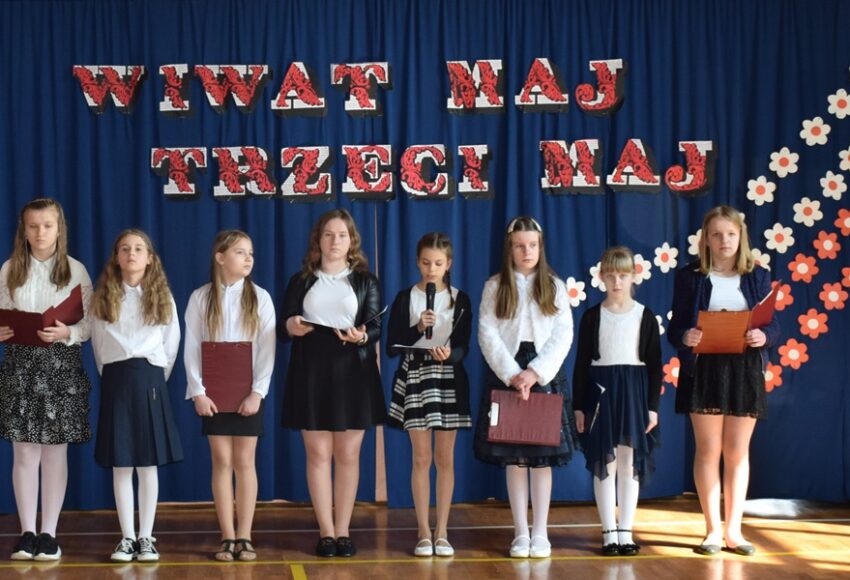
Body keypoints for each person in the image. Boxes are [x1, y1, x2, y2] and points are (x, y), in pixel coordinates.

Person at [668, 205, 780, 556]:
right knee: (708, 449)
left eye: (730, 234)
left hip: (744, 369)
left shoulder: (758, 275)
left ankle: (734, 531)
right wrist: (684, 336)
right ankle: (712, 531)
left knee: (737, 451)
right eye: (716, 234)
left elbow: (773, 325)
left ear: (741, 237)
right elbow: (675, 327)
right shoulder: (690, 276)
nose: (724, 241)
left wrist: (764, 336)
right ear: (706, 239)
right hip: (704, 368)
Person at [280, 208, 385, 558]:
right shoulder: (301, 280)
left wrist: (361, 336)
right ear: (318, 240)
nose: (335, 241)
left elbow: (376, 327)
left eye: (341, 235)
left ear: (351, 240)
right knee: (318, 453)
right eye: (328, 234)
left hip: (353, 371)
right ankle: (325, 531)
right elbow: (284, 324)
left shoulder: (366, 280)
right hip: (310, 370)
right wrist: (291, 326)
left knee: (348, 454)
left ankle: (343, 531)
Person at [473, 216, 575, 559]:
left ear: (541, 247)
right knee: (515, 459)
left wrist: (535, 373)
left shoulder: (555, 287)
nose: (526, 251)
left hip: (543, 375)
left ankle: (540, 532)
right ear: (510, 249)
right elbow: (487, 333)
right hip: (508, 375)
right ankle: (520, 532)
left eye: (532, 245)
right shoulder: (494, 286)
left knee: (541, 459)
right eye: (519, 246)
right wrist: (513, 374)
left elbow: (563, 334)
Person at [0, 198, 93, 561]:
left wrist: (68, 332)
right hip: (21, 364)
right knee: (24, 450)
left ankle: (49, 533)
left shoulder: (76, 270)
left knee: (55, 451)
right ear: (23, 230)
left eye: (47, 226)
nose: (40, 233)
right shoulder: (10, 269)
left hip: (60, 365)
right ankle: (26, 532)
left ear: (59, 229)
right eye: (33, 226)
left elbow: (90, 322)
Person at [90, 229, 183, 562]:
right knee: (121, 463)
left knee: (146, 463)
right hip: (116, 378)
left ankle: (146, 537)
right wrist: (114, 376)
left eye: (138, 249)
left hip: (149, 378)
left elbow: (171, 343)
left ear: (150, 258)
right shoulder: (104, 296)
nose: (131, 254)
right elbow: (99, 345)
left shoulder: (162, 297)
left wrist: (153, 377)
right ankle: (127, 537)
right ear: (117, 257)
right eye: (125, 249)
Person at [184, 230, 276, 562]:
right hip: (214, 394)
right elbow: (192, 347)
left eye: (251, 253)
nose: (248, 258)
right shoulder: (201, 297)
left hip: (247, 392)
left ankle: (245, 536)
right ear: (220, 257)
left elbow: (266, 349)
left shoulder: (260, 298)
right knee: (222, 461)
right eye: (240, 252)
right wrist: (198, 391)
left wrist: (257, 392)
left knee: (244, 462)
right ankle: (227, 536)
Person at [386, 232, 472, 557]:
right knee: (421, 458)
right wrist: (418, 329)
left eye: (437, 263)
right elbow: (392, 346)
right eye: (425, 263)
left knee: (445, 458)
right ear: (417, 262)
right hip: (416, 375)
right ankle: (423, 531)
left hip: (448, 376)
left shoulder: (460, 299)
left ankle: (443, 531)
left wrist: (449, 354)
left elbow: (464, 346)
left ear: (448, 264)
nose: (431, 269)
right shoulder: (405, 297)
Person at [572, 246, 661, 557]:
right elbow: (581, 364)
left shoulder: (644, 316)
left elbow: (655, 365)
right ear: (601, 277)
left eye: (623, 276)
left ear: (634, 276)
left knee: (628, 462)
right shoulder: (592, 317)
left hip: (633, 393)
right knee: (604, 463)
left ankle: (626, 530)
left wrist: (652, 407)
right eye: (610, 276)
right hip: (602, 392)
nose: (617, 282)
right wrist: (579, 406)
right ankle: (609, 531)